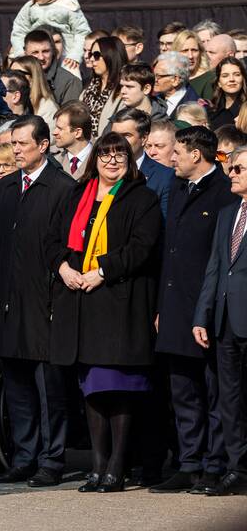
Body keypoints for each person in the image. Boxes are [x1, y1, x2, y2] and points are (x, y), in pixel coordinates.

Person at [50, 132, 162, 493]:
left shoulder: (141, 197)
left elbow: (142, 247)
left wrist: (101, 272)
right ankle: (97, 465)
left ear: (129, 161)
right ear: (95, 160)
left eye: (120, 155)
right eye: (105, 155)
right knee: (93, 390)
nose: (112, 161)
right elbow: (53, 240)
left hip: (119, 303)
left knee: (119, 388)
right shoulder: (75, 196)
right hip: (80, 302)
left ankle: (117, 465)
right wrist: (65, 268)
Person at [0, 115, 75, 487]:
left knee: (49, 389)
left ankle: (52, 459)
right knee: (16, 385)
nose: (15, 150)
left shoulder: (63, 188)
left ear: (44, 145)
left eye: (22, 143)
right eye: (12, 143)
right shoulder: (5, 187)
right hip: (5, 302)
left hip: (44, 302)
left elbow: (65, 250)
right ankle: (24, 456)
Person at [148, 126, 236, 494]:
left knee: (213, 390)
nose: (171, 159)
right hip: (174, 305)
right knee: (182, 390)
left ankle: (214, 465)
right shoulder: (178, 186)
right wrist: (161, 308)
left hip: (208, 308)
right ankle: (189, 462)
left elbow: (219, 259)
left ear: (196, 155)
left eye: (177, 153)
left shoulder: (224, 192)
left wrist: (207, 308)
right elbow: (170, 249)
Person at [192, 148, 247, 496]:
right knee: (229, 399)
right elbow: (215, 267)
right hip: (226, 322)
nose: (232, 173)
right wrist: (202, 315)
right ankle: (237, 467)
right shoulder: (228, 213)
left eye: (239, 168)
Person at [10, 0, 91, 73]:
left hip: (65, 57)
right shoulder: (31, 7)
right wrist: (20, 52)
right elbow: (19, 29)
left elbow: (82, 32)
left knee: (70, 78)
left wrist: (75, 55)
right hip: (38, 55)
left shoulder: (68, 6)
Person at [110, 108, 174, 218]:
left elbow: (164, 225)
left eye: (126, 135)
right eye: (114, 136)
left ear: (144, 138)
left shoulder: (165, 177)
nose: (119, 141)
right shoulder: (101, 172)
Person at [79, 37, 127, 136]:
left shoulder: (125, 90)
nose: (91, 59)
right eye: (90, 54)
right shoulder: (88, 89)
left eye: (96, 55)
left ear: (111, 56)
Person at [24, 29, 83, 106]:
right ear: (25, 54)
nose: (41, 57)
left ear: (53, 51)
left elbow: (70, 116)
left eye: (45, 51)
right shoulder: (19, 76)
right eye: (35, 52)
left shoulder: (70, 81)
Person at [52, 102, 94, 181]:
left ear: (78, 133)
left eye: (60, 129)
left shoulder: (101, 161)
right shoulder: (54, 162)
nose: (54, 132)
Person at [153, 51, 198, 119]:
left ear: (175, 80)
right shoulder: (153, 100)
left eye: (159, 76)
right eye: (154, 75)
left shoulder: (195, 106)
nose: (154, 80)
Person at [173, 31, 216, 101]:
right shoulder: (172, 80)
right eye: (185, 50)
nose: (190, 56)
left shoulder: (210, 79)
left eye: (194, 50)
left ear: (200, 53)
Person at [208, 57, 247, 130]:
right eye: (225, 76)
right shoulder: (212, 109)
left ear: (243, 79)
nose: (231, 79)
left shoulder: (245, 109)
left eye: (237, 74)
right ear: (219, 82)